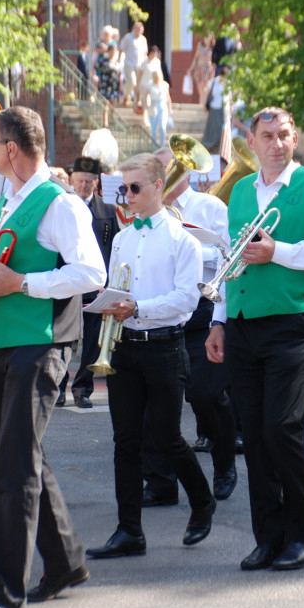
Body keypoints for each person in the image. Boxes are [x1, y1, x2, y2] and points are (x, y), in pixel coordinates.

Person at [0, 107, 105, 608]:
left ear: (11, 149)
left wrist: (20, 284)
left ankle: (4, 595)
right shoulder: (5, 197)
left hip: (39, 344)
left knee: (12, 470)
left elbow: (92, 274)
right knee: (21, 459)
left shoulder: (59, 204)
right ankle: (64, 562)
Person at [205, 107, 304, 571]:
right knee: (255, 433)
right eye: (266, 135)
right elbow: (233, 261)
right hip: (245, 322)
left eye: (284, 134)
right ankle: (268, 536)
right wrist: (218, 320)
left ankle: (303, 534)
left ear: (295, 136)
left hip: (296, 322)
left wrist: (278, 252)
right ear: (251, 139)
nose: (275, 143)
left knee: (281, 427)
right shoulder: (242, 192)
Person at [86, 153, 217, 561]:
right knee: (125, 442)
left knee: (167, 436)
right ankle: (129, 531)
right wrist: (111, 304)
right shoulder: (122, 237)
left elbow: (187, 299)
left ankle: (202, 501)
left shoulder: (182, 238)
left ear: (159, 186)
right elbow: (116, 286)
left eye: (135, 187)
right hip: (125, 348)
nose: (127, 195)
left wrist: (137, 307)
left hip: (164, 347)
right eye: (123, 188)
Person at [140, 145, 238, 505]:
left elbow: (230, 257)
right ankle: (159, 481)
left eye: (170, 168)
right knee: (153, 401)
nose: (166, 176)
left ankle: (225, 463)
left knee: (207, 394)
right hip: (160, 310)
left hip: (201, 309)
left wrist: (189, 245)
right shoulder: (149, 212)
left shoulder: (211, 207)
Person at [65, 156, 116, 408]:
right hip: (68, 282)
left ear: (96, 183)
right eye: (80, 180)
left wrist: (109, 281)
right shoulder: (63, 206)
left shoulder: (107, 210)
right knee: (64, 337)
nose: (84, 185)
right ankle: (58, 387)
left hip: (96, 286)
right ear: (72, 181)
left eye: (89, 181)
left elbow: (115, 247)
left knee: (93, 340)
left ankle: (82, 389)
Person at [201, 65, 230, 154]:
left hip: (223, 109)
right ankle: (209, 145)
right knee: (213, 128)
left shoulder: (228, 83)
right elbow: (207, 92)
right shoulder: (214, 81)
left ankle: (218, 147)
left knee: (220, 128)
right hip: (214, 107)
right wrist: (204, 105)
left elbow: (229, 96)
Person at [119, 22, 148, 108]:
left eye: (140, 30)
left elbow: (145, 53)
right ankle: (126, 97)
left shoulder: (143, 39)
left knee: (139, 83)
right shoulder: (128, 38)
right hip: (129, 63)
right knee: (132, 81)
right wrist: (119, 60)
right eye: (137, 29)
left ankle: (137, 100)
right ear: (133, 29)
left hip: (139, 65)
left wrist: (145, 63)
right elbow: (121, 49)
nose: (138, 31)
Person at [146, 60, 172, 148]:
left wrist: (170, 108)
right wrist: (146, 105)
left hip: (162, 105)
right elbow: (146, 95)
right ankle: (153, 145)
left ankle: (162, 145)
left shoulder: (164, 85)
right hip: (153, 105)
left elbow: (168, 97)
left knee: (162, 126)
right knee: (153, 127)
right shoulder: (150, 84)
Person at [190, 34, 216, 105]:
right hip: (199, 68)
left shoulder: (212, 47)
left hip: (208, 69)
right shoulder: (200, 46)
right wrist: (191, 68)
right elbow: (196, 57)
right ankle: (201, 105)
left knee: (205, 89)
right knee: (200, 90)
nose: (207, 39)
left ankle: (202, 106)